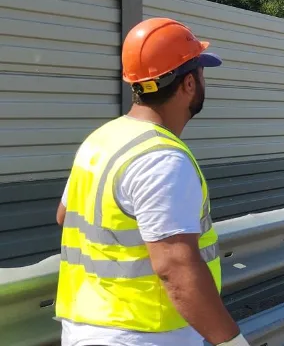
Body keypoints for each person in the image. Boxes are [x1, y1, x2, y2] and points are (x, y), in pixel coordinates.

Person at [55, 17, 250, 346]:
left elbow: (66, 216)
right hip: (142, 335)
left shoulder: (101, 140)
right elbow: (175, 268)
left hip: (83, 330)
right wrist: (232, 343)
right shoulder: (162, 159)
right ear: (189, 84)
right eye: (201, 72)